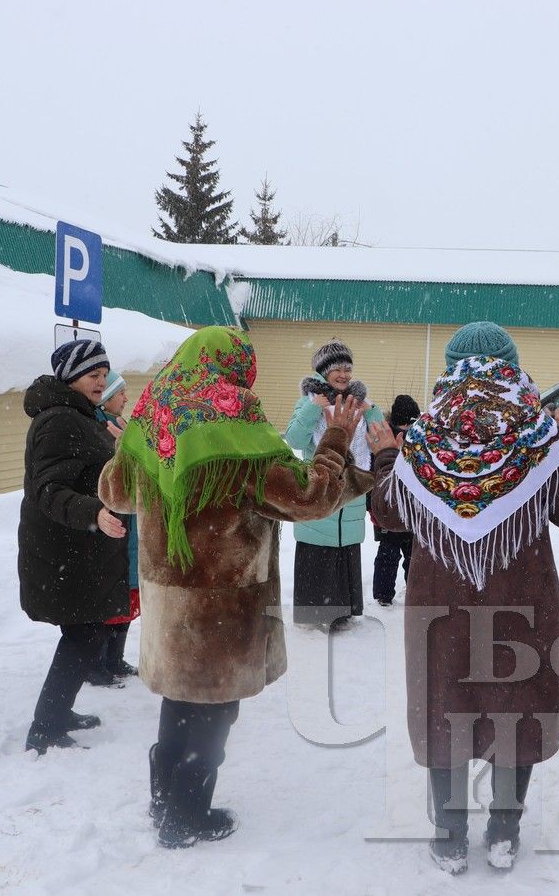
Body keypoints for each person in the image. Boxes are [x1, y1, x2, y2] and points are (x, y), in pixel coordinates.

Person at [99, 327, 371, 848]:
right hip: (223, 609)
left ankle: (164, 801)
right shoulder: (237, 431)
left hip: (170, 607)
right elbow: (309, 497)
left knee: (180, 700)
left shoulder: (159, 423)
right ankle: (186, 815)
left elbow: (114, 491)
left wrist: (130, 444)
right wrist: (336, 440)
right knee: (215, 709)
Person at [368, 322, 559, 874]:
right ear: (512, 368)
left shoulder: (423, 436)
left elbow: (390, 512)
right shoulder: (536, 433)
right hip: (523, 599)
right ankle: (504, 830)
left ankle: (448, 834)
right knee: (515, 708)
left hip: (439, 600)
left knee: (445, 708)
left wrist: (385, 459)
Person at [18, 339, 129, 754]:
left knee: (85, 632)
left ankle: (57, 713)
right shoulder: (60, 420)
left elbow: (88, 471)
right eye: (92, 375)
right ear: (70, 377)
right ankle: (45, 727)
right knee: (84, 636)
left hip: (77, 547)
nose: (100, 382)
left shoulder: (82, 415)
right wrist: (91, 512)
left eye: (103, 374)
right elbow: (46, 488)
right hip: (64, 548)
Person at [284, 340, 385, 632]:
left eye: (347, 369)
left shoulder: (358, 403)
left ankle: (344, 613)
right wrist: (313, 409)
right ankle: (315, 617)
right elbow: (295, 440)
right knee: (317, 550)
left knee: (345, 551)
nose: (343, 374)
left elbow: (378, 439)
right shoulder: (309, 402)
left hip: (351, 489)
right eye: (337, 369)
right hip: (320, 486)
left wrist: (372, 409)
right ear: (323, 372)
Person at [88, 370, 140, 685]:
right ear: (107, 398)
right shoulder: (98, 430)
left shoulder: (122, 427)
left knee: (126, 597)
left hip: (128, 525)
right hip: (110, 526)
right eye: (121, 393)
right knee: (110, 598)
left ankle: (114, 659)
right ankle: (96, 665)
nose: (126, 398)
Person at [370, 394, 420, 607]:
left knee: (412, 556)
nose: (407, 430)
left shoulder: (420, 439)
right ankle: (383, 596)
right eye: (405, 424)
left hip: (411, 511)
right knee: (387, 556)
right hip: (388, 510)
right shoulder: (384, 440)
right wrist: (372, 509)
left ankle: (414, 591)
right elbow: (376, 478)